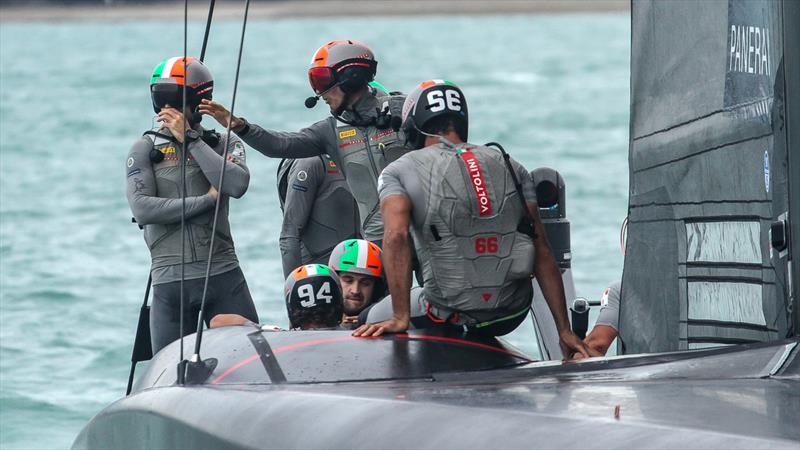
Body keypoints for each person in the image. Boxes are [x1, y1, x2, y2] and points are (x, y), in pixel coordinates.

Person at [352, 80, 590, 358]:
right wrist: (564, 329)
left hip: (447, 312)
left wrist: (400, 316)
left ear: (414, 124)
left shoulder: (398, 170)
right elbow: (542, 249)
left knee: (367, 318)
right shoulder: (512, 165)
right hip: (511, 314)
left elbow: (395, 237)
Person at [199, 39, 411, 245]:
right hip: (378, 241)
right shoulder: (330, 131)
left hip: (420, 230)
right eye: (314, 83)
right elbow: (280, 145)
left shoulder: (402, 108)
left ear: (351, 75)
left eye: (322, 81)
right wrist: (239, 125)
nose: (319, 93)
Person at [126, 56, 259, 354]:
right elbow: (143, 209)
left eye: (173, 101)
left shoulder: (223, 143)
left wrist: (191, 140)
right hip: (170, 284)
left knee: (249, 360)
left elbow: (236, 185)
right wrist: (208, 200)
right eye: (161, 101)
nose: (167, 110)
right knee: (167, 371)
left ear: (200, 101)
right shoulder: (144, 149)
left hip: (223, 273)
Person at [276, 155, 360, 278]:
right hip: (318, 274)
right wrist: (293, 289)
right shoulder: (309, 163)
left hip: (355, 270)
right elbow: (289, 235)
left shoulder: (351, 153)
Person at [210, 264, 344, 331]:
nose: (316, 329)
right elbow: (216, 321)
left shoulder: (281, 337)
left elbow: (216, 321)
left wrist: (259, 328)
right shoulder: (354, 331)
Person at [327, 239, 387, 327]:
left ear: (376, 288)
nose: (355, 291)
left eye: (365, 283)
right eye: (348, 280)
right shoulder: (314, 320)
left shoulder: (388, 321)